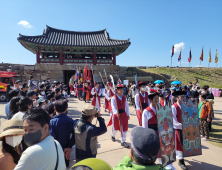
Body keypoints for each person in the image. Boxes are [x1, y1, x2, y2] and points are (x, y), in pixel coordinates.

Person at [50, 99, 75, 167]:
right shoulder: (71, 121)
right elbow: (74, 136)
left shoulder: (52, 122)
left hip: (55, 150)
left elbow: (52, 138)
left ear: (54, 108)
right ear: (66, 108)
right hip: (67, 151)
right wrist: (69, 147)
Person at [108, 84, 130, 148]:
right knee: (115, 127)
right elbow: (113, 106)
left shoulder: (124, 97)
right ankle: (113, 135)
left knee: (124, 127)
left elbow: (126, 106)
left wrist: (128, 114)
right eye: (120, 89)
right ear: (117, 90)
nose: (122, 90)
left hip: (123, 114)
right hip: (117, 114)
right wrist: (116, 112)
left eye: (122, 89)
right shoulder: (113, 98)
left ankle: (123, 141)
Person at [171, 91, 188, 170]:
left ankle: (182, 158)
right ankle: (181, 161)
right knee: (179, 145)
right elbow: (173, 120)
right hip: (179, 129)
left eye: (184, 97)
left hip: (186, 129)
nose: (184, 98)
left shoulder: (185, 106)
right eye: (182, 97)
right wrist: (182, 125)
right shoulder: (174, 107)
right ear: (177, 98)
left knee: (186, 144)